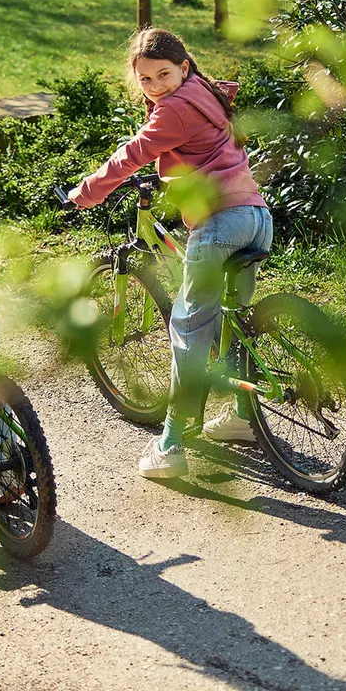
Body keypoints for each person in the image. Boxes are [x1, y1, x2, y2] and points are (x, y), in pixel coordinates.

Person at [68, 28, 271, 480]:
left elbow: (133, 155)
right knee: (234, 319)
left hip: (221, 222)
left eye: (163, 74)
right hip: (256, 218)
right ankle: (242, 414)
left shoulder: (174, 110)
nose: (155, 85)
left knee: (188, 326)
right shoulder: (205, 92)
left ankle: (172, 445)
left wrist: (87, 193)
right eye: (144, 80)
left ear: (183, 66)